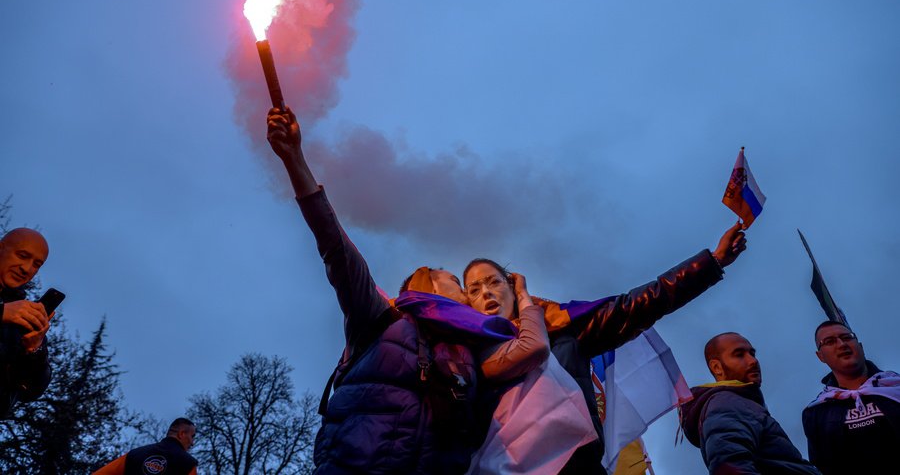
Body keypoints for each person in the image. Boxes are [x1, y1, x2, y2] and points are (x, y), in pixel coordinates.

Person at [267, 107, 550, 474]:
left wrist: (524, 298)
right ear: (430, 285)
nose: (469, 293)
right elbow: (336, 247)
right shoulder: (382, 320)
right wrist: (295, 160)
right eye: (457, 283)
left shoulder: (470, 353)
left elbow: (534, 348)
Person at [463, 223, 747, 474]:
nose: (486, 292)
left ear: (514, 289)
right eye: (474, 289)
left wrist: (712, 262)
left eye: (494, 282)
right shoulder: (463, 356)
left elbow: (635, 305)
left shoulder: (562, 329)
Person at [679, 332, 820, 474]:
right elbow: (730, 467)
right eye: (739, 354)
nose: (753, 361)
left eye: (752, 354)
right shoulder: (726, 403)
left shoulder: (737, 403)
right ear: (717, 367)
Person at [801, 321, 900, 474]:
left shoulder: (895, 387)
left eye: (847, 337)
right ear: (820, 356)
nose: (841, 344)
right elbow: (821, 467)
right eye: (829, 341)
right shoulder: (816, 412)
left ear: (860, 346)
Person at [0, 227, 52, 418]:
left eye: (36, 264)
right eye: (22, 256)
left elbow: (31, 392)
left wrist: (34, 350)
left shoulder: (22, 315)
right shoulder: (11, 311)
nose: (27, 268)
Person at [92, 417, 198, 475]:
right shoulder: (188, 464)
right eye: (192, 436)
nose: (192, 443)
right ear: (182, 434)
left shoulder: (134, 455)